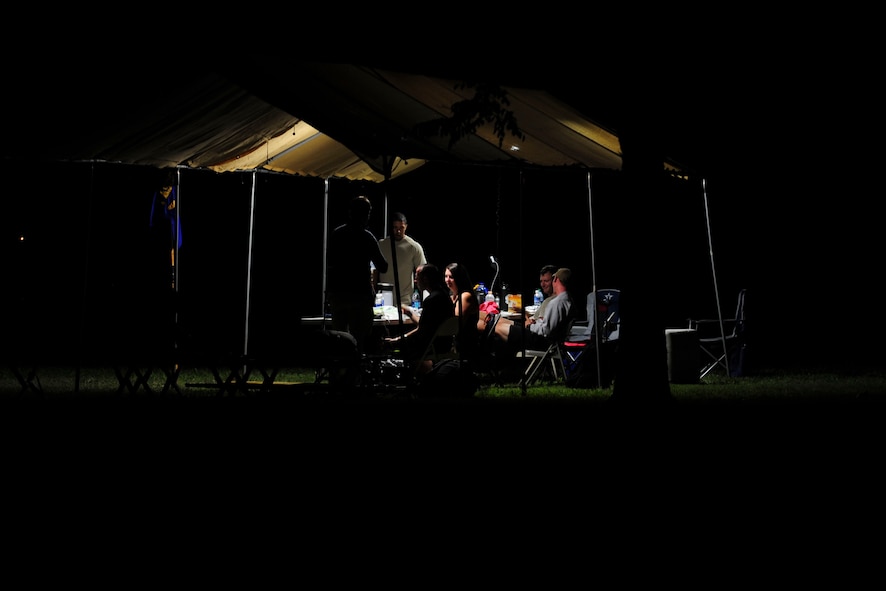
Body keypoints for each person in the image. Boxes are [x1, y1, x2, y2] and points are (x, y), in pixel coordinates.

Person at [326, 196, 389, 354]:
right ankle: (354, 376)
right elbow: (383, 266)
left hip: (339, 294)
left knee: (338, 340)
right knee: (358, 341)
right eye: (367, 213)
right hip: (360, 296)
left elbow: (331, 263)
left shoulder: (337, 234)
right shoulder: (367, 238)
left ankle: (338, 375)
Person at [479, 267, 575, 355]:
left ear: (556, 280)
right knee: (496, 320)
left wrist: (530, 325)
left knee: (495, 326)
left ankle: (483, 356)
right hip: (538, 335)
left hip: (539, 340)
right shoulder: (566, 299)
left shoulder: (557, 302)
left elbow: (546, 331)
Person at [384, 263, 453, 376]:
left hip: (433, 346)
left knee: (394, 344)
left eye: (417, 277)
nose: (416, 281)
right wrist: (410, 313)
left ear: (425, 279)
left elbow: (422, 331)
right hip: (444, 343)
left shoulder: (431, 300)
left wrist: (396, 340)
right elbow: (426, 325)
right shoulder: (444, 296)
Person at [373, 211, 427, 307]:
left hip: (405, 300)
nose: (398, 231)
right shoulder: (381, 245)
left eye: (401, 228)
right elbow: (375, 270)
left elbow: (424, 272)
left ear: (406, 226)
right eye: (395, 228)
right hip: (384, 298)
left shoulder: (413, 247)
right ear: (391, 228)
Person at [444, 262, 480, 362]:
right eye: (446, 276)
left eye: (451, 277)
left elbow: (455, 325)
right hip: (457, 342)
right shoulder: (452, 296)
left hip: (466, 345)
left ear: (459, 278)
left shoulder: (465, 296)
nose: (447, 280)